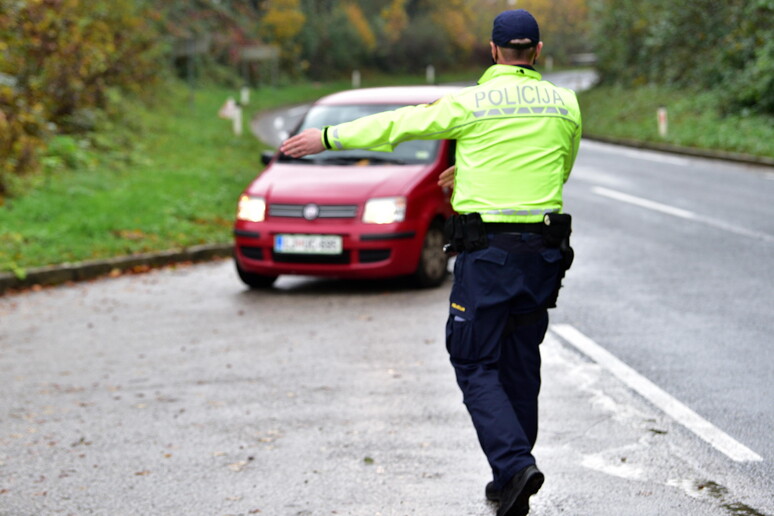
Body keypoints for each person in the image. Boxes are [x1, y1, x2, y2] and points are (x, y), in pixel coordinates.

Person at [281, 9, 581, 516]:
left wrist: (328, 138)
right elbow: (555, 166)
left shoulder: (471, 103)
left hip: (488, 256)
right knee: (521, 360)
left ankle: (513, 466)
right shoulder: (565, 104)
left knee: (473, 359)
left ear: (493, 50)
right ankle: (510, 473)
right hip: (543, 255)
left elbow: (399, 125)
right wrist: (468, 172)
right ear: (538, 51)